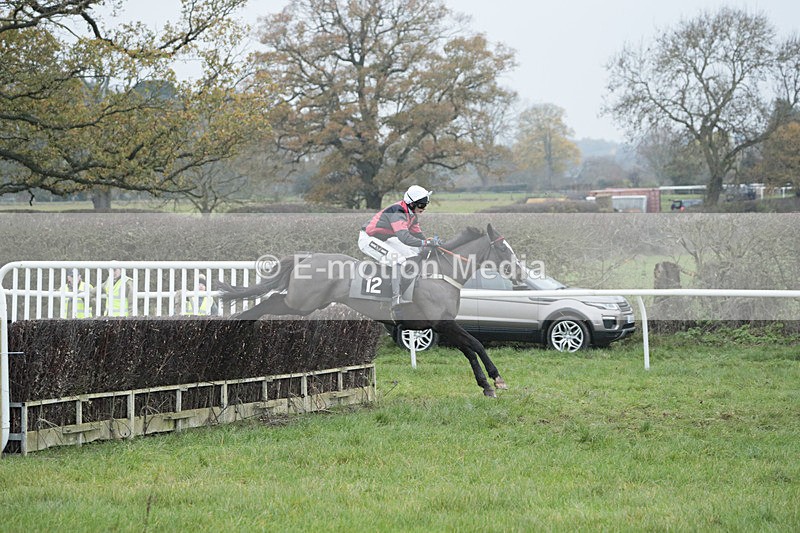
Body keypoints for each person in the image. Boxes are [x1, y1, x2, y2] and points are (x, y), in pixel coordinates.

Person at [358, 185, 438, 311]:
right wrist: (424, 243)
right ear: (411, 204)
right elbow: (405, 238)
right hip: (368, 239)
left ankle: (409, 289)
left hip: (384, 238)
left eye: (425, 204)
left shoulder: (412, 215)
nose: (424, 208)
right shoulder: (398, 212)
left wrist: (430, 242)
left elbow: (417, 235)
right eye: (422, 205)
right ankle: (396, 298)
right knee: (398, 260)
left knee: (415, 253)